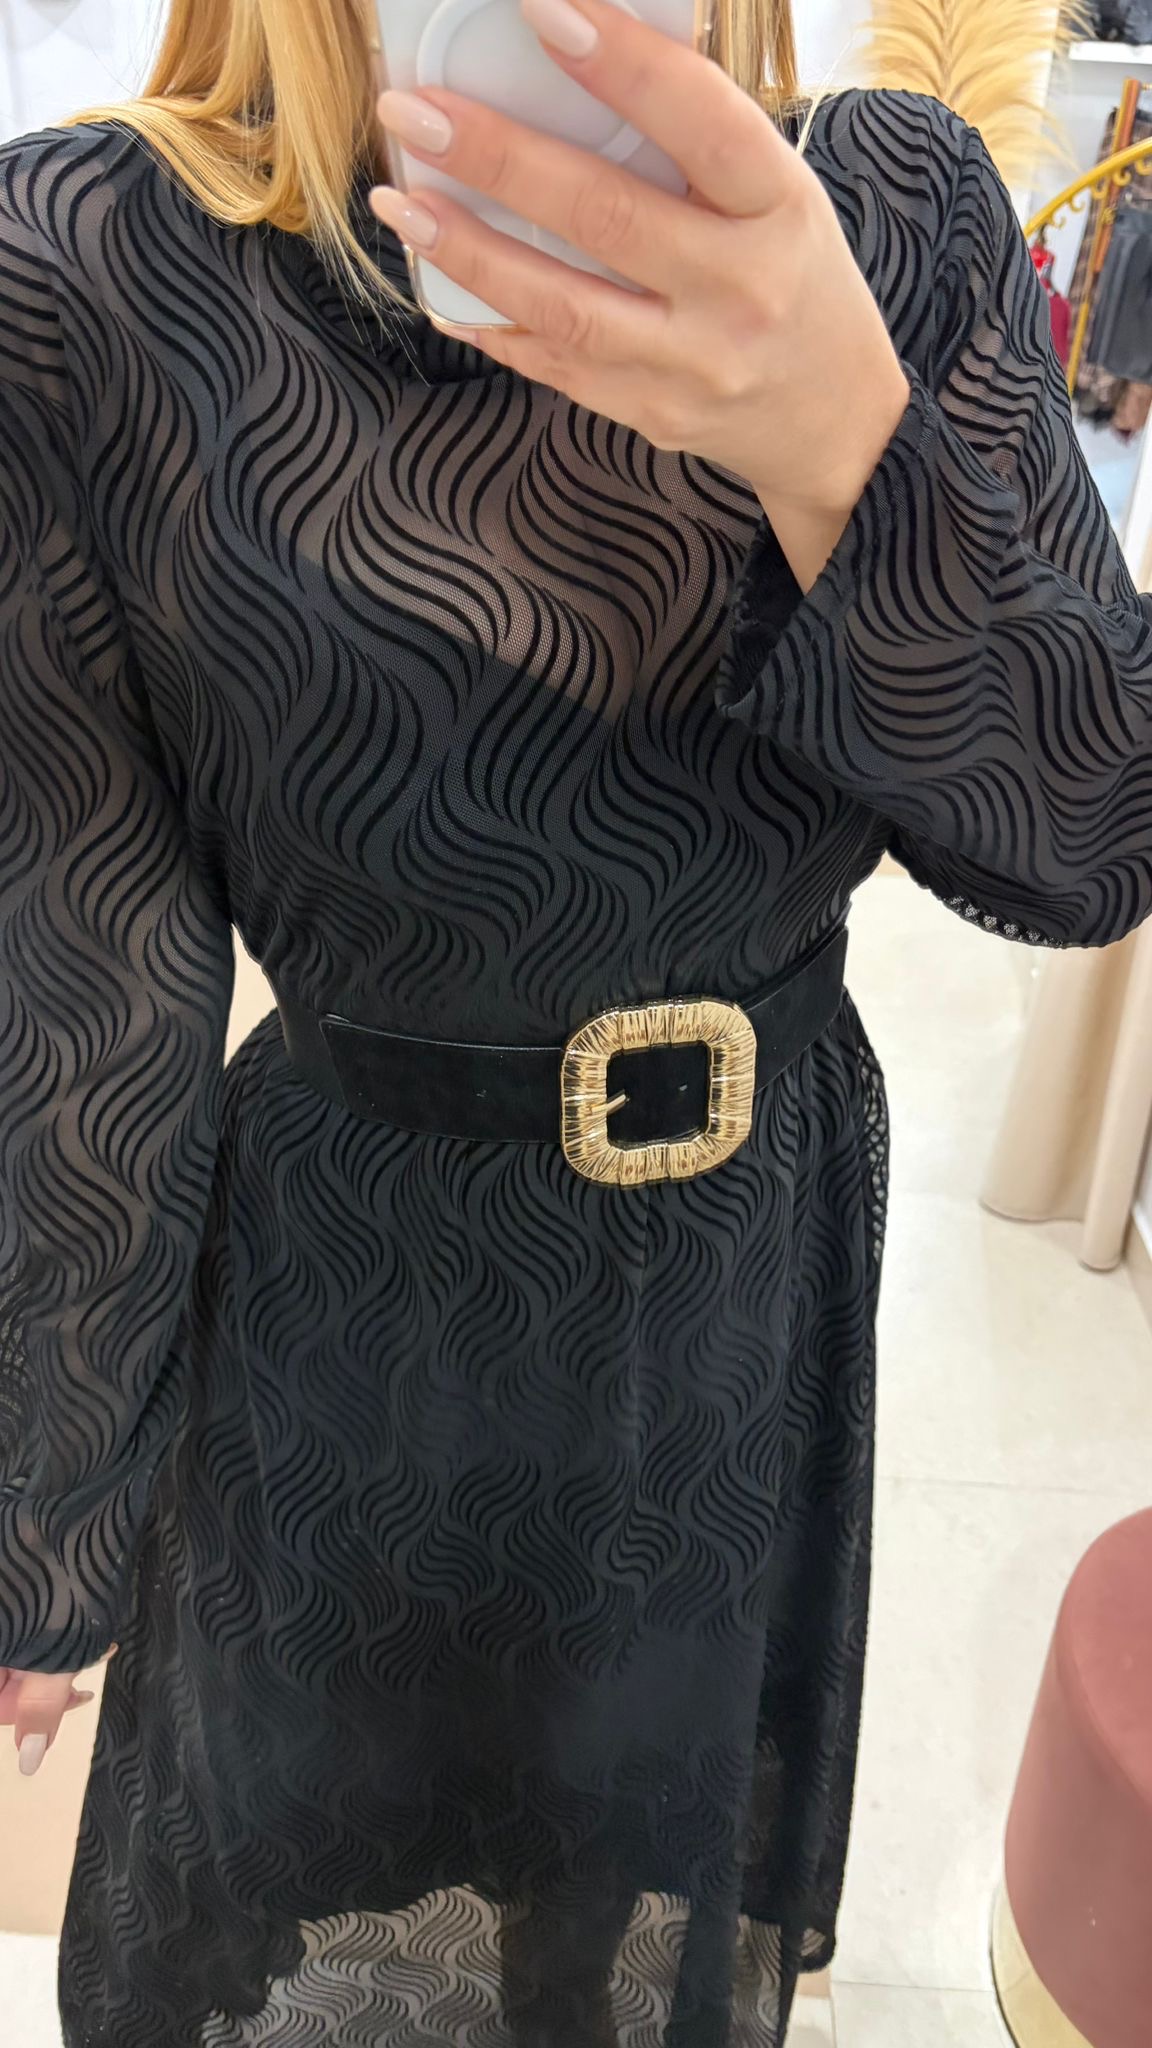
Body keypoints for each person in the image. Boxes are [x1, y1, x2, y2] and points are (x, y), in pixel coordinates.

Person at [0, 0, 1149, 2041]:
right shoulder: (96, 267)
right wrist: (44, 1516)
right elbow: (93, 967)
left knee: (621, 1911)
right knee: (301, 1908)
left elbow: (1088, 842)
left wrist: (844, 451)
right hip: (346, 1320)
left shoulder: (889, 216)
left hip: (737, 1293)